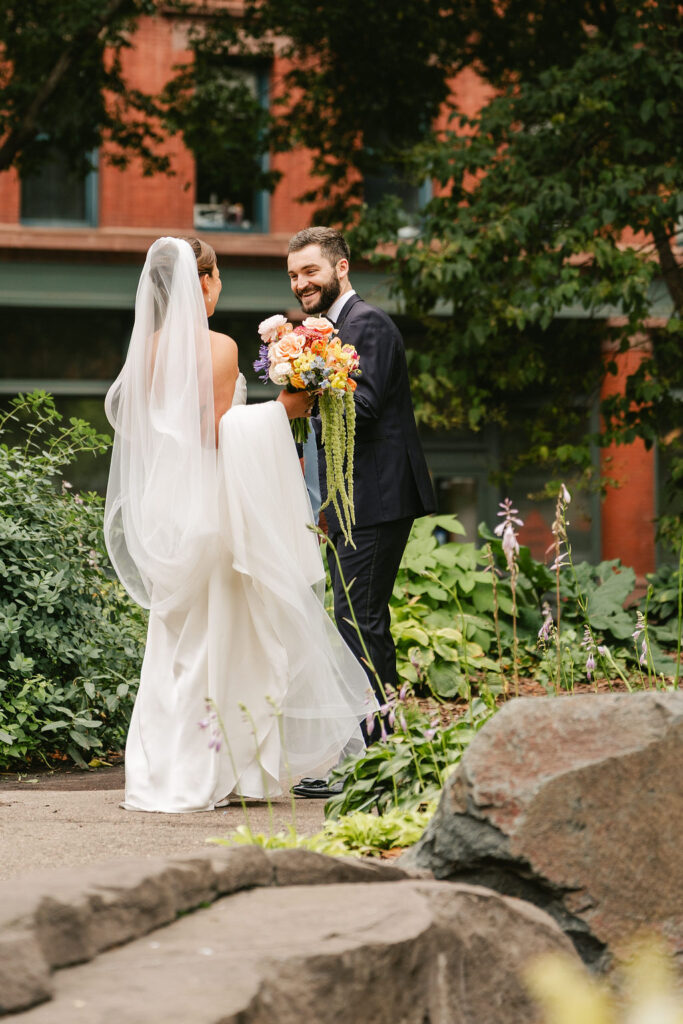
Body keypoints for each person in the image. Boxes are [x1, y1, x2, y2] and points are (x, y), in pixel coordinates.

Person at [104, 236, 374, 813]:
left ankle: (158, 773)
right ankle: (220, 770)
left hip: (167, 509)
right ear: (202, 282)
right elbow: (215, 436)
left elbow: (156, 439)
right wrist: (283, 409)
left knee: (178, 639)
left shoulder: (144, 351)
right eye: (217, 275)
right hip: (212, 505)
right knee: (222, 634)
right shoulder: (219, 347)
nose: (219, 284)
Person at [286, 227, 436, 798]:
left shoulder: (364, 324)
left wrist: (303, 377)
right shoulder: (327, 333)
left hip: (377, 497)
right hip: (351, 502)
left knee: (360, 621)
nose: (301, 283)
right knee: (354, 619)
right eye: (295, 274)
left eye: (311, 272)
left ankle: (379, 761)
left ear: (341, 268)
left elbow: (366, 405)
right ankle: (374, 755)